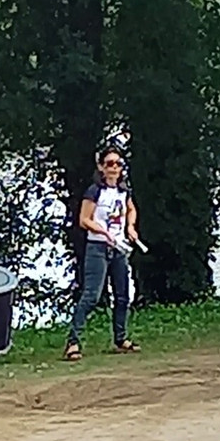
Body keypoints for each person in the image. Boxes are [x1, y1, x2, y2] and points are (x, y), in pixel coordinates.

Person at [63, 144, 141, 361]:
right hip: (98, 247)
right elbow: (84, 219)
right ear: (101, 167)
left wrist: (131, 227)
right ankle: (73, 342)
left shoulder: (124, 191)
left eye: (118, 164)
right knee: (91, 296)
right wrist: (103, 231)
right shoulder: (94, 191)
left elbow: (131, 209)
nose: (114, 168)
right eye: (110, 164)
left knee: (123, 295)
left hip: (118, 248)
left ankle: (120, 338)